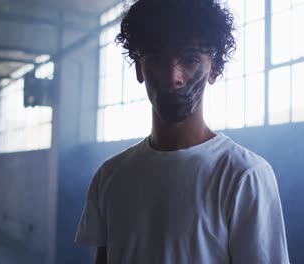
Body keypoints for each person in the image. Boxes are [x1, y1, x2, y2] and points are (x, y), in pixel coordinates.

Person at [75, 0, 290, 263]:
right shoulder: (109, 176)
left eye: (189, 60)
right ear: (139, 69)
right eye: (156, 59)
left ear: (215, 69)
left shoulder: (245, 175)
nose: (172, 76)